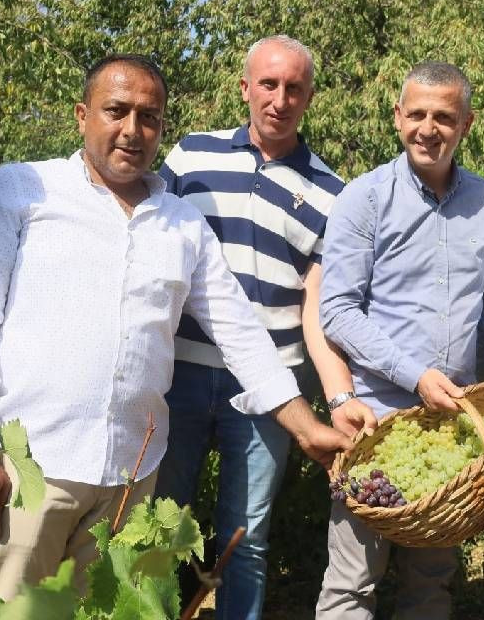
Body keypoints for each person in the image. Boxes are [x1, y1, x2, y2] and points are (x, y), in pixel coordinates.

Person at [0, 54, 350, 600]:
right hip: (31, 471)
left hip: (131, 481)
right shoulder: (22, 191)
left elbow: (241, 333)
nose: (132, 131)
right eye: (116, 111)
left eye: (149, 117)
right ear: (81, 114)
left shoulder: (182, 223)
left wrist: (306, 427)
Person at [153, 36, 365, 620]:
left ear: (309, 96)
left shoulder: (333, 192)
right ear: (245, 87)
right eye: (268, 84)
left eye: (293, 87)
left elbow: (318, 306)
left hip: (272, 390)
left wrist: (334, 392)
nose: (279, 98)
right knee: (162, 525)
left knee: (244, 541)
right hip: (179, 374)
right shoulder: (191, 157)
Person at [315, 62, 484, 619]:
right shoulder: (365, 198)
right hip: (376, 424)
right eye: (417, 114)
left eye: (444, 116)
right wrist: (414, 375)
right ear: (398, 117)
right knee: (352, 583)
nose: (428, 128)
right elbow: (336, 311)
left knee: (432, 585)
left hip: (449, 429)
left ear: (466, 123)